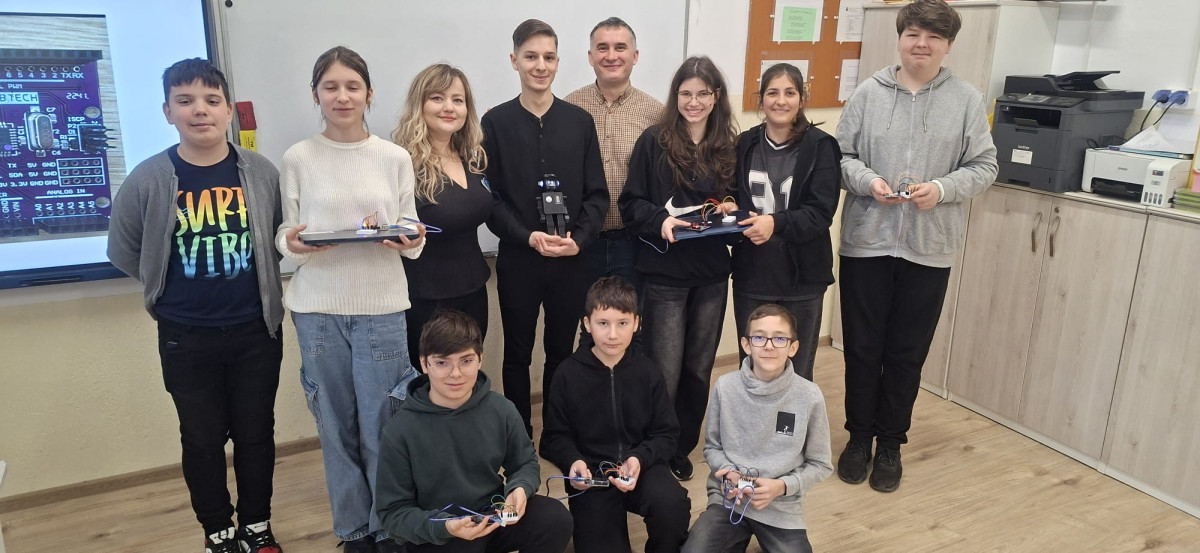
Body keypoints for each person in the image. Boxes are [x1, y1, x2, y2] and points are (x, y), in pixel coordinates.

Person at [107, 58, 285, 553]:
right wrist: (164, 289)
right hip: (185, 337)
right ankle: (218, 531)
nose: (199, 110)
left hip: (256, 331)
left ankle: (256, 525)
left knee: (256, 434)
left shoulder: (261, 173)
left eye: (211, 100)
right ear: (168, 111)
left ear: (228, 110)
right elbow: (124, 249)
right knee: (202, 439)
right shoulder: (149, 178)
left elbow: (279, 238)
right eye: (185, 101)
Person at [835, 0, 997, 493]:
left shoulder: (966, 99)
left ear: (948, 46)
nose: (921, 44)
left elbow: (985, 166)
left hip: (930, 248)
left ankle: (890, 444)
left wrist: (942, 189)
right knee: (862, 348)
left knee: (907, 352)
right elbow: (839, 156)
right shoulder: (868, 92)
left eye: (934, 36)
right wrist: (868, 181)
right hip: (867, 242)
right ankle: (858, 437)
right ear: (900, 38)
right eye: (913, 34)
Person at [276, 46, 425, 553]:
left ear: (369, 94)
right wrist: (291, 243)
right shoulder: (297, 157)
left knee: (384, 424)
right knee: (335, 425)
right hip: (317, 310)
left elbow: (411, 229)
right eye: (331, 87)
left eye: (352, 87)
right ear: (315, 95)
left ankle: (388, 524)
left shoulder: (394, 157)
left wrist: (410, 236)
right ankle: (354, 530)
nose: (342, 96)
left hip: (382, 307)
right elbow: (287, 234)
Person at [482, 18, 609, 438]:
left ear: (558, 62)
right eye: (531, 56)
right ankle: (519, 434)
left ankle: (556, 431)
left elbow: (597, 195)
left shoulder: (579, 122)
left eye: (549, 57)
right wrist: (527, 236)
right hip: (519, 259)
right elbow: (489, 199)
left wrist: (580, 240)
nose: (541, 65)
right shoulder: (494, 123)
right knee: (517, 353)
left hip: (570, 261)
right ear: (514, 60)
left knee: (561, 350)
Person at [618, 55, 741, 482]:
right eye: (686, 93)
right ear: (675, 96)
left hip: (712, 276)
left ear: (716, 97)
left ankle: (681, 444)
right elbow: (631, 204)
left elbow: (738, 203)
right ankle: (657, 443)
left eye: (703, 93)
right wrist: (661, 221)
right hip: (665, 276)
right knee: (664, 370)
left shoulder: (728, 145)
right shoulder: (654, 141)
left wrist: (730, 208)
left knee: (698, 369)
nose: (694, 102)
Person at [376, 310, 573, 553]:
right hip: (441, 532)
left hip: (491, 514)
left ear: (480, 359)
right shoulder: (399, 431)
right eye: (442, 363)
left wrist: (520, 487)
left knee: (555, 519)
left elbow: (525, 463)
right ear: (425, 364)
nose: (456, 373)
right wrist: (444, 527)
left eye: (466, 361)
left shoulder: (501, 409)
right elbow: (393, 513)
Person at [540, 276, 690, 553]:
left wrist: (639, 457)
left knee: (672, 506)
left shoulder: (648, 372)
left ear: (636, 323)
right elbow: (555, 437)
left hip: (641, 467)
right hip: (592, 475)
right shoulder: (567, 374)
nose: (612, 335)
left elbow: (666, 434)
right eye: (603, 323)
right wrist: (573, 461)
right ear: (587, 324)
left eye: (622, 323)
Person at [681, 304, 832, 553]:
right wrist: (728, 472)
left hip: (781, 507)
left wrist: (782, 486)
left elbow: (821, 464)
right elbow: (712, 448)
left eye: (779, 338)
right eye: (759, 337)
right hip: (730, 500)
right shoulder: (725, 387)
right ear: (746, 344)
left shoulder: (809, 395)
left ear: (793, 347)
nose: (769, 346)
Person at [731, 63, 841, 382]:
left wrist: (774, 223)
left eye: (790, 93)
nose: (781, 101)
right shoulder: (744, 144)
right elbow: (732, 196)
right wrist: (729, 206)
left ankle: (793, 419)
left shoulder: (821, 146)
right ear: (761, 99)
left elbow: (820, 213)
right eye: (772, 93)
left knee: (797, 371)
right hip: (753, 275)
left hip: (802, 278)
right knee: (753, 368)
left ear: (802, 98)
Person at [564, 17, 663, 349]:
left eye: (620, 47)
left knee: (632, 331)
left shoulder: (656, 114)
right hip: (582, 243)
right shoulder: (568, 108)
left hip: (634, 243)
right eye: (602, 48)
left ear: (635, 55)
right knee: (586, 331)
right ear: (590, 56)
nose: (611, 55)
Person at [393, 63, 492, 370]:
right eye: (437, 98)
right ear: (419, 104)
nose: (449, 107)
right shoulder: (400, 163)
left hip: (474, 290)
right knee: (431, 383)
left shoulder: (472, 157)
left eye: (457, 100)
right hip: (426, 299)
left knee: (468, 376)